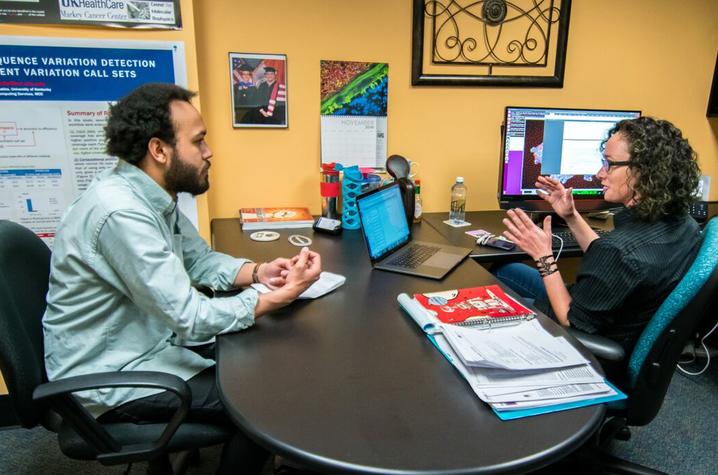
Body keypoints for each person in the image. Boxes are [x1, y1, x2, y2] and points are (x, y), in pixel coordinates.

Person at [42, 83, 322, 474]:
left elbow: (199, 260)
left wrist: (260, 273)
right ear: (159, 150)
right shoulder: (121, 212)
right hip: (111, 376)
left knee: (265, 361)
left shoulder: (150, 196)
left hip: (146, 346)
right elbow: (190, 318)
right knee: (264, 403)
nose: (209, 153)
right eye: (199, 141)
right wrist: (279, 297)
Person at [494, 116, 702, 356]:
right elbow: (610, 263)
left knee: (494, 303)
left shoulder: (619, 250)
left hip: (582, 337)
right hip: (604, 306)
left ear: (644, 171)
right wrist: (570, 215)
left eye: (609, 164)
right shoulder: (681, 222)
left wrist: (544, 257)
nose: (599, 173)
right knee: (505, 269)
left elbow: (571, 322)